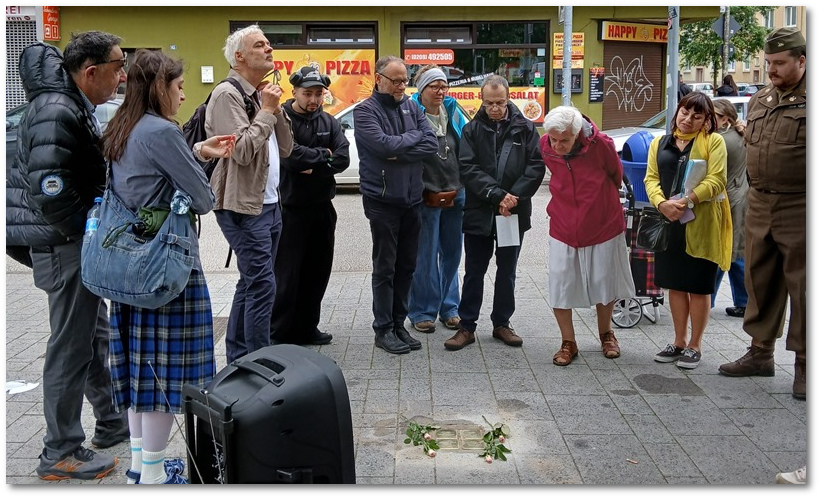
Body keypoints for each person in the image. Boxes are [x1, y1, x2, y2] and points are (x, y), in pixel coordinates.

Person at [101, 49, 235, 484]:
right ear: (161, 87)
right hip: (165, 269)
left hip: (132, 265)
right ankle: (156, 477)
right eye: (178, 87)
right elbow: (202, 199)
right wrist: (192, 156)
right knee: (161, 375)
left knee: (142, 371)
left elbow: (147, 175)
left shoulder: (124, 124)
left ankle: (142, 469)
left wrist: (194, 149)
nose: (182, 96)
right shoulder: (161, 131)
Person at [9, 32, 130, 481]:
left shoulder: (68, 103)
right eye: (118, 67)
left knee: (90, 337)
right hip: (65, 244)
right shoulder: (59, 109)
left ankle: (110, 420)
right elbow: (50, 190)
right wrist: (89, 230)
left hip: (67, 241)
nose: (123, 76)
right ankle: (59, 451)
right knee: (70, 346)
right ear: (90, 71)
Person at [718, 27, 806, 400]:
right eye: (768, 62)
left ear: (802, 61)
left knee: (804, 288)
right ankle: (760, 353)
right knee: (759, 278)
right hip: (760, 202)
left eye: (780, 63)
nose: (771, 69)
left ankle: (805, 366)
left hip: (801, 205)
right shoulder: (761, 99)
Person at [206, 25, 294, 363]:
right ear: (240, 56)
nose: (269, 49)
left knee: (252, 281)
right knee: (262, 284)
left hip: (269, 203)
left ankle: (239, 358)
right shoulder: (227, 94)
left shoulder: (259, 94)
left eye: (269, 44)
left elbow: (285, 148)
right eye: (260, 45)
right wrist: (267, 110)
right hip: (242, 206)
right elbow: (240, 152)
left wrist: (274, 106)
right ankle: (259, 362)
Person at [445, 75, 545, 351]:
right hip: (480, 210)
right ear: (482, 100)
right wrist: (498, 195)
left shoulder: (525, 128)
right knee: (474, 271)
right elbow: (467, 168)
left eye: (500, 102)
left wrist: (513, 198)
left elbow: (535, 167)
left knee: (507, 270)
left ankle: (502, 323)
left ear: (509, 97)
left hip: (513, 213)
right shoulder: (472, 130)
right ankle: (466, 326)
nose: (495, 108)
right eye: (489, 103)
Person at [354, 55, 438, 355]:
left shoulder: (412, 106)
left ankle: (399, 323)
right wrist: (409, 143)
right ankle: (383, 329)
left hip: (412, 199)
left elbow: (430, 143)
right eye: (396, 80)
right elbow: (381, 146)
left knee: (407, 266)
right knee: (385, 268)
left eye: (405, 80)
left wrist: (401, 146)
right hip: (382, 201)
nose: (403, 86)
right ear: (379, 79)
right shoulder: (365, 111)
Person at [540, 106, 635, 366]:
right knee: (560, 283)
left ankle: (607, 334)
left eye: (565, 140)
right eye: (554, 140)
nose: (557, 145)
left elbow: (616, 175)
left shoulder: (600, 144)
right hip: (563, 222)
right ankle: (568, 341)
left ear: (577, 134)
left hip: (602, 221)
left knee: (604, 281)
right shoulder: (544, 143)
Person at [644, 91, 731, 370]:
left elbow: (717, 179)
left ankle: (695, 345)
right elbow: (651, 178)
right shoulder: (660, 143)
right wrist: (661, 204)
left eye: (696, 116)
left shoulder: (713, 143)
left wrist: (687, 200)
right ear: (677, 111)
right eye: (684, 112)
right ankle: (678, 341)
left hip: (701, 223)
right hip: (669, 223)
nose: (688, 119)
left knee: (699, 286)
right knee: (675, 284)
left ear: (706, 120)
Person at [269, 66, 350, 345]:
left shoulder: (329, 122)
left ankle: (307, 328)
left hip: (322, 208)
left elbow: (342, 160)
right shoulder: (282, 118)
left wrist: (313, 166)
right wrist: (322, 156)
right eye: (308, 94)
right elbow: (289, 157)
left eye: (319, 93)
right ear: (295, 92)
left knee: (317, 272)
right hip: (290, 210)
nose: (314, 100)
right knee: (288, 274)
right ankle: (279, 332)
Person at [407, 65, 469, 334]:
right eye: (434, 86)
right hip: (426, 195)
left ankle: (449, 307)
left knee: (452, 253)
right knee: (425, 255)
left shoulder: (453, 110)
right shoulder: (411, 113)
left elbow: (468, 143)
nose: (441, 91)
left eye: (444, 85)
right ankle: (422, 310)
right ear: (422, 90)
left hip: (457, 193)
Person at [710, 98, 748, 317]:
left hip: (729, 201)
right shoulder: (737, 135)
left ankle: (706, 297)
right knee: (737, 251)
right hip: (740, 196)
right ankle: (743, 301)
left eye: (712, 115)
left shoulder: (722, 141)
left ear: (725, 119)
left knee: (722, 252)